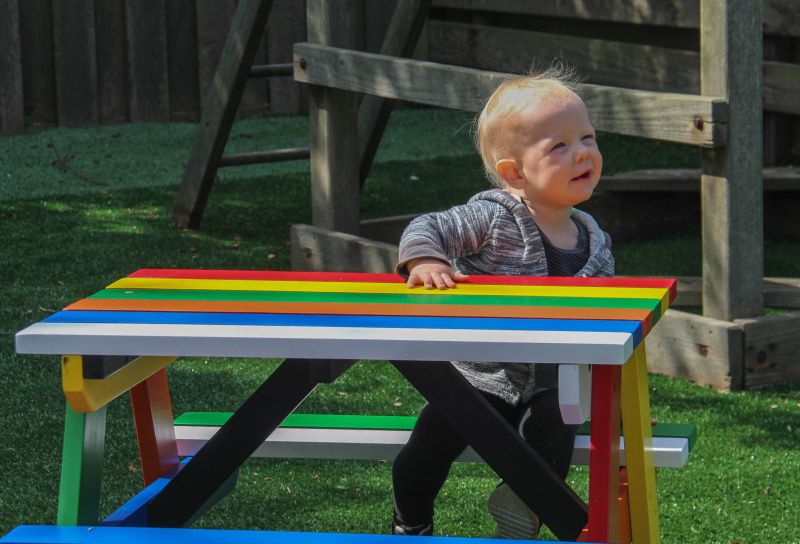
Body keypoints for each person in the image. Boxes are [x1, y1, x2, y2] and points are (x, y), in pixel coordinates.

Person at [390, 66, 615, 539]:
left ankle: (522, 505)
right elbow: (430, 226)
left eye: (587, 138)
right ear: (515, 173)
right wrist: (425, 259)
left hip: (552, 382)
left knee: (559, 424)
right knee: (425, 452)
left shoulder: (595, 243)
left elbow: (610, 328)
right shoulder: (494, 217)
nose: (582, 153)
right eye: (559, 146)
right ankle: (411, 523)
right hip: (477, 376)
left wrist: (617, 401)